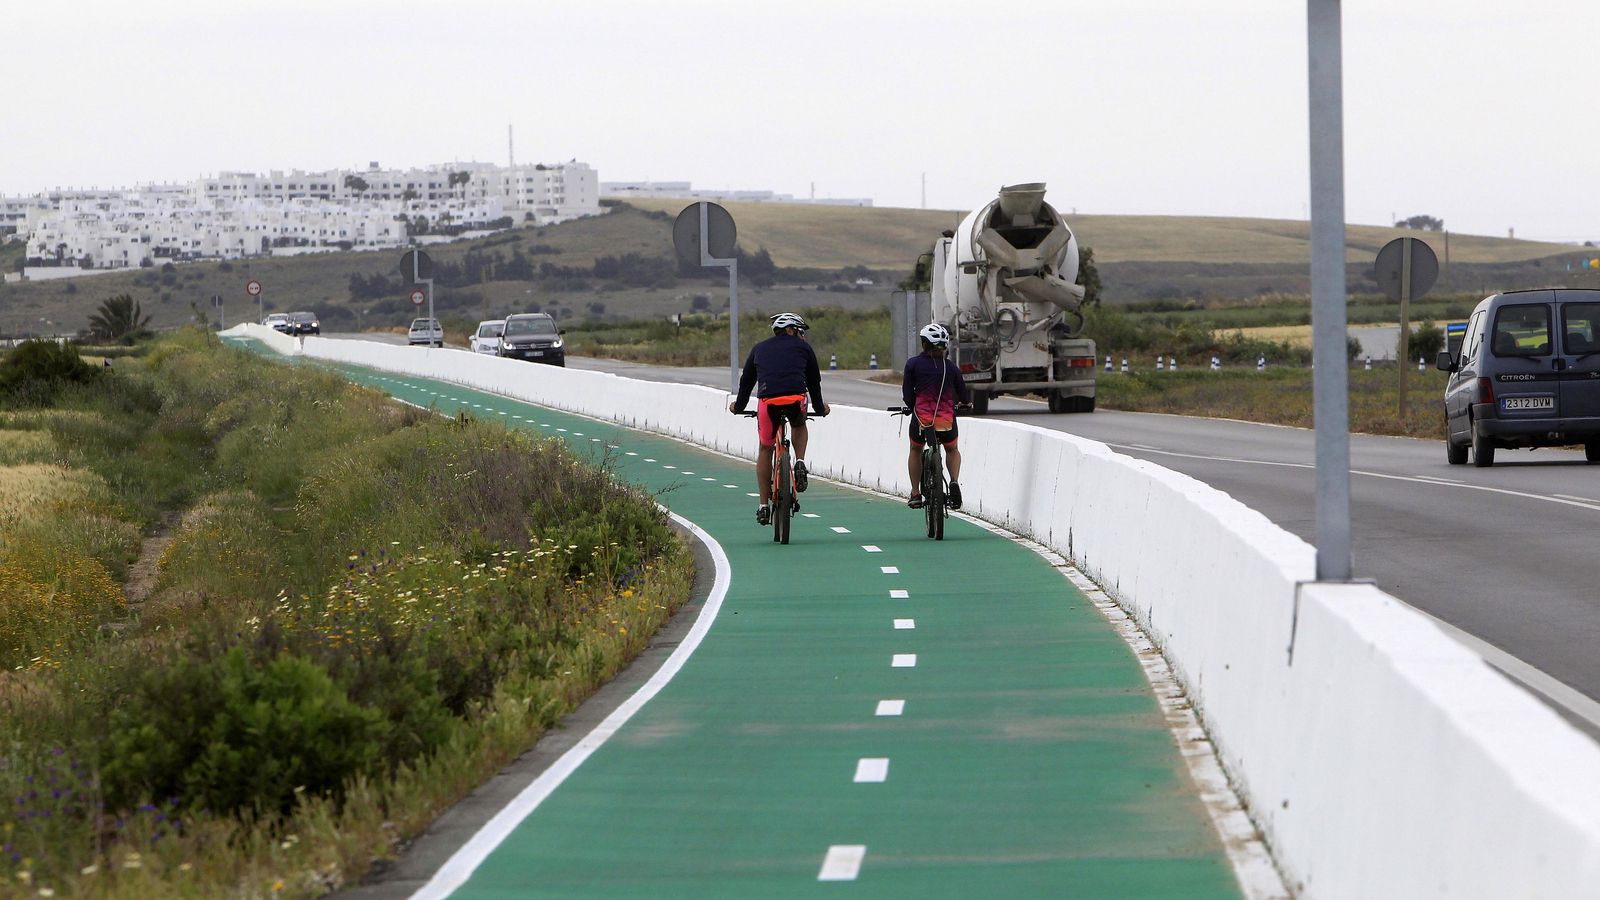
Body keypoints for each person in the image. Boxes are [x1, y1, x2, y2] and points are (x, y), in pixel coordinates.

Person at [729, 312, 829, 525]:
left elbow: (746, 383)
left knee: (765, 448)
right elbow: (814, 383)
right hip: (795, 399)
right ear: (791, 330)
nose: (802, 336)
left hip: (767, 403)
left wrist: (738, 407)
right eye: (800, 331)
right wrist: (820, 408)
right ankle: (800, 461)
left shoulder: (759, 349)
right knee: (799, 424)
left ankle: (763, 505)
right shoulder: (804, 349)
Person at [901, 322, 969, 510]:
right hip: (946, 421)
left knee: (915, 449)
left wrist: (911, 406)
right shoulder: (952, 368)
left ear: (924, 344)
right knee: (952, 449)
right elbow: (963, 396)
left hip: (922, 420)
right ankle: (954, 481)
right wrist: (965, 403)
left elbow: (908, 397)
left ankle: (915, 493)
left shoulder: (913, 364)